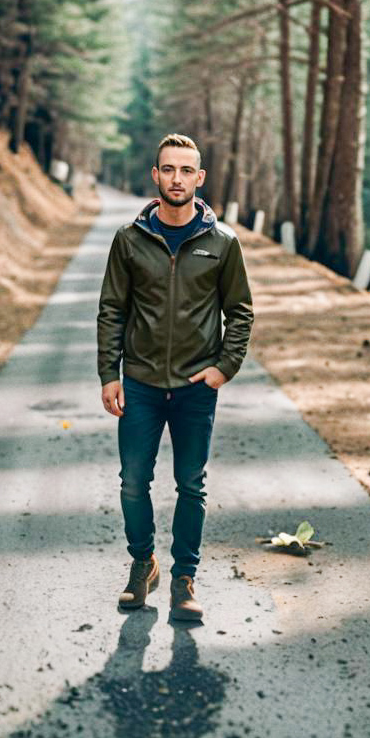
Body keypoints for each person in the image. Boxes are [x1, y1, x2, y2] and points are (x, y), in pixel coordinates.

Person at [97, 133, 254, 621]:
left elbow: (241, 312)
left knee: (191, 484)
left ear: (199, 178)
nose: (177, 178)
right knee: (132, 483)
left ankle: (184, 578)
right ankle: (143, 564)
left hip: (193, 389)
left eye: (187, 171)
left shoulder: (223, 244)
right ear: (156, 176)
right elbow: (112, 311)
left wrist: (224, 368)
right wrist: (110, 373)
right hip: (141, 383)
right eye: (169, 169)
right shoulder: (129, 240)